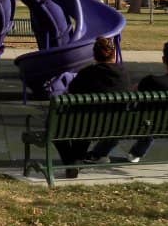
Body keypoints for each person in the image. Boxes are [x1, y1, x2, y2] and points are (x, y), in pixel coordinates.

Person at [84, 39, 168, 164]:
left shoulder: (152, 81)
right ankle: (136, 153)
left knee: (123, 120)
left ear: (164, 60)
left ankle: (99, 154)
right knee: (151, 123)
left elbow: (129, 93)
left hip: (141, 124)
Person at [54, 36, 130, 177]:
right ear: (114, 54)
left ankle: (72, 162)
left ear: (94, 55)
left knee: (56, 126)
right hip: (116, 125)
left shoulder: (87, 73)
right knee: (86, 121)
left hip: (87, 125)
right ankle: (75, 162)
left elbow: (72, 91)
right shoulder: (123, 74)